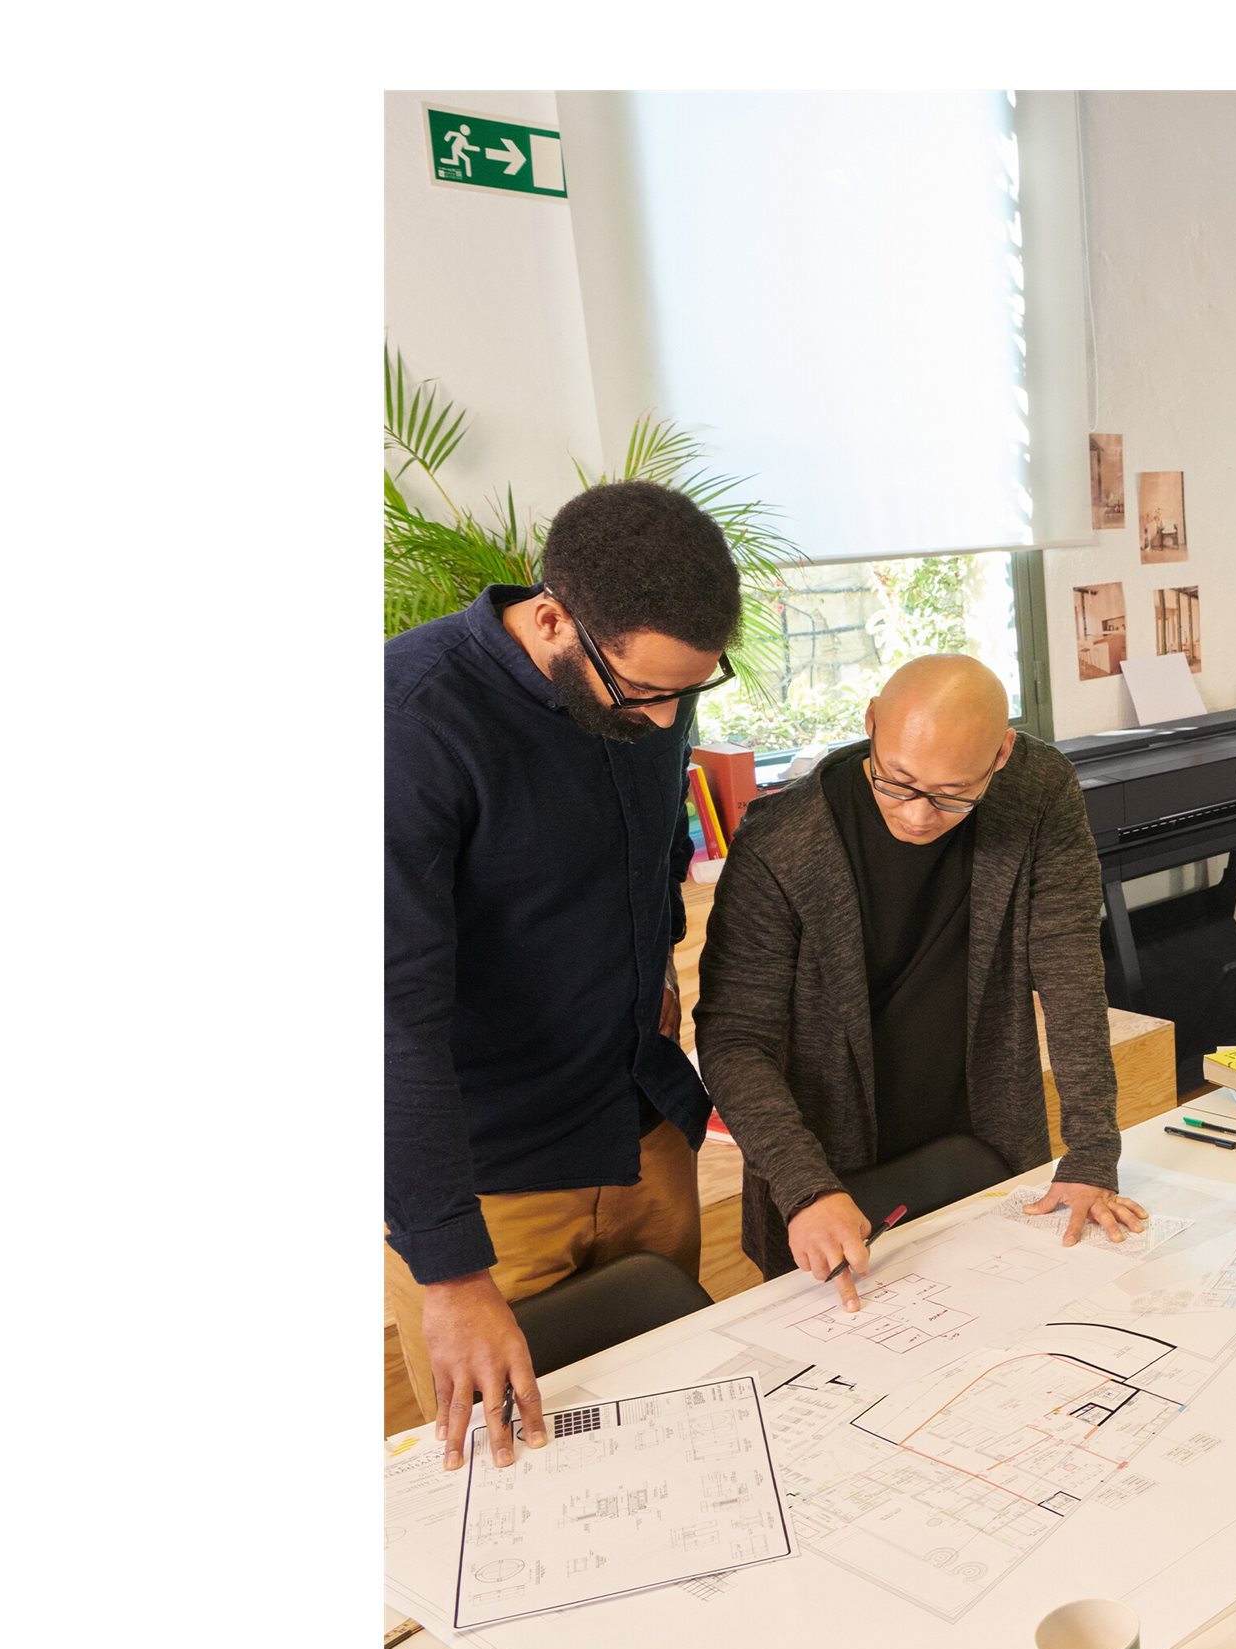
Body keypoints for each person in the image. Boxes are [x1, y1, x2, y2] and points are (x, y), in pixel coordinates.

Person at [386, 480, 743, 1472]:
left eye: (687, 693)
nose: (665, 717)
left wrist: (657, 947)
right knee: (511, 1476)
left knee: (675, 1440)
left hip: (643, 1132)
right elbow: (389, 1022)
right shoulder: (406, 725)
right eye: (643, 693)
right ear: (552, 619)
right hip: (494, 1185)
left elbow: (655, 845)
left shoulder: (648, 678)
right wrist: (451, 1275)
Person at [695, 654, 1145, 1309]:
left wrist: (1092, 1149)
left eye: (952, 795)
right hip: (823, 1169)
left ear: (1000, 755)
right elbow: (735, 1037)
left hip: (983, 1143)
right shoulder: (783, 841)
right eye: (897, 782)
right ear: (871, 723)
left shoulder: (1038, 791)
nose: (916, 816)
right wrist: (803, 1187)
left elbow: (1069, 967)